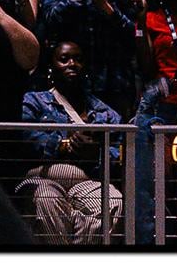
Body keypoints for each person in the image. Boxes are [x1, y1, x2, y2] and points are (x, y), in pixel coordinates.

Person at [19, 39, 126, 244]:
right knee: (46, 199)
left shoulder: (104, 112)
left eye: (78, 59)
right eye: (64, 59)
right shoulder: (34, 101)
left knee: (113, 201)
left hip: (86, 180)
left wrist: (96, 153)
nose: (72, 64)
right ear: (51, 68)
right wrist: (64, 145)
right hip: (45, 177)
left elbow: (119, 151)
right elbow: (27, 137)